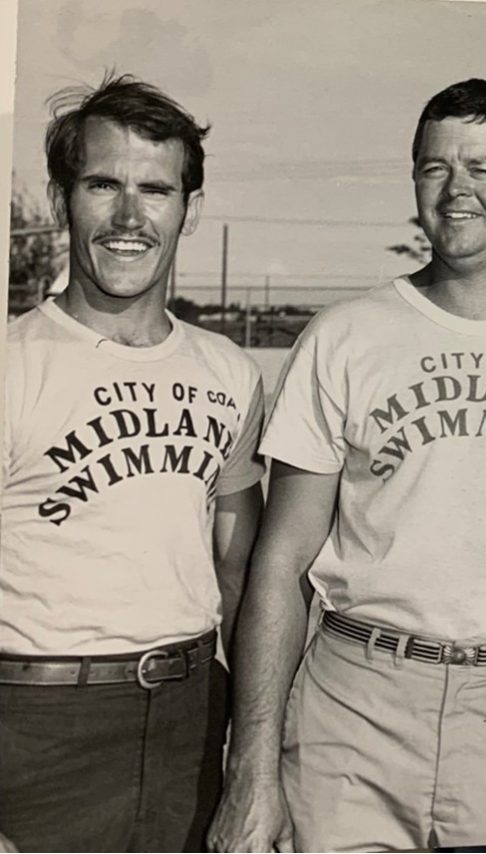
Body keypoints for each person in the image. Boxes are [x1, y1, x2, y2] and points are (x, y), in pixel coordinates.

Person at [208, 78, 486, 852]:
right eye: (434, 167)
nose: (456, 191)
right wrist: (253, 767)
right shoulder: (346, 335)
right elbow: (281, 563)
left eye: (483, 168)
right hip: (356, 701)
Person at [0, 73, 265, 852]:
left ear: (189, 209)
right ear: (60, 199)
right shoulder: (13, 364)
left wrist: (250, 762)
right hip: (36, 726)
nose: (127, 216)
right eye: (101, 184)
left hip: (188, 723)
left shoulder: (230, 374)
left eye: (155, 189)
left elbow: (236, 576)